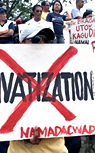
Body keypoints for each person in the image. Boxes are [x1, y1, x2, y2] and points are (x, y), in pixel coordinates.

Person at [8, 24, 68, 153]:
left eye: (46, 40)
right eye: (36, 39)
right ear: (21, 44)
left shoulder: (63, 72)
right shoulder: (7, 74)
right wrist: (23, 135)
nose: (42, 43)